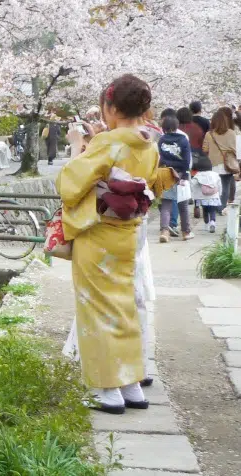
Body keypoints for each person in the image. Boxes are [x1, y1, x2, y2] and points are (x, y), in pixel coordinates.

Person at [57, 74, 170, 414]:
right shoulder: (149, 143)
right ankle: (132, 385)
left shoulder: (109, 143)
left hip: (99, 231)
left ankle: (106, 391)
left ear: (112, 106)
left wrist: (78, 146)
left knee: (96, 308)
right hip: (128, 233)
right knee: (123, 306)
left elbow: (70, 185)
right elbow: (150, 184)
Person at [157, 114, 191, 243]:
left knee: (166, 203)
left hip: (166, 172)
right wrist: (186, 175)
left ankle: (165, 231)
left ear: (164, 127)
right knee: (183, 203)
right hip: (180, 173)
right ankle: (186, 232)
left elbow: (159, 158)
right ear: (177, 126)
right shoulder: (183, 140)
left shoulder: (161, 140)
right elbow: (187, 159)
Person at [203, 107, 237, 231]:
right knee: (226, 187)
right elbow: (235, 149)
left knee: (215, 189)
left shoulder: (209, 134)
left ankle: (215, 208)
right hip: (228, 164)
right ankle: (221, 207)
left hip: (213, 165)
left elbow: (205, 150)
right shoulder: (232, 133)